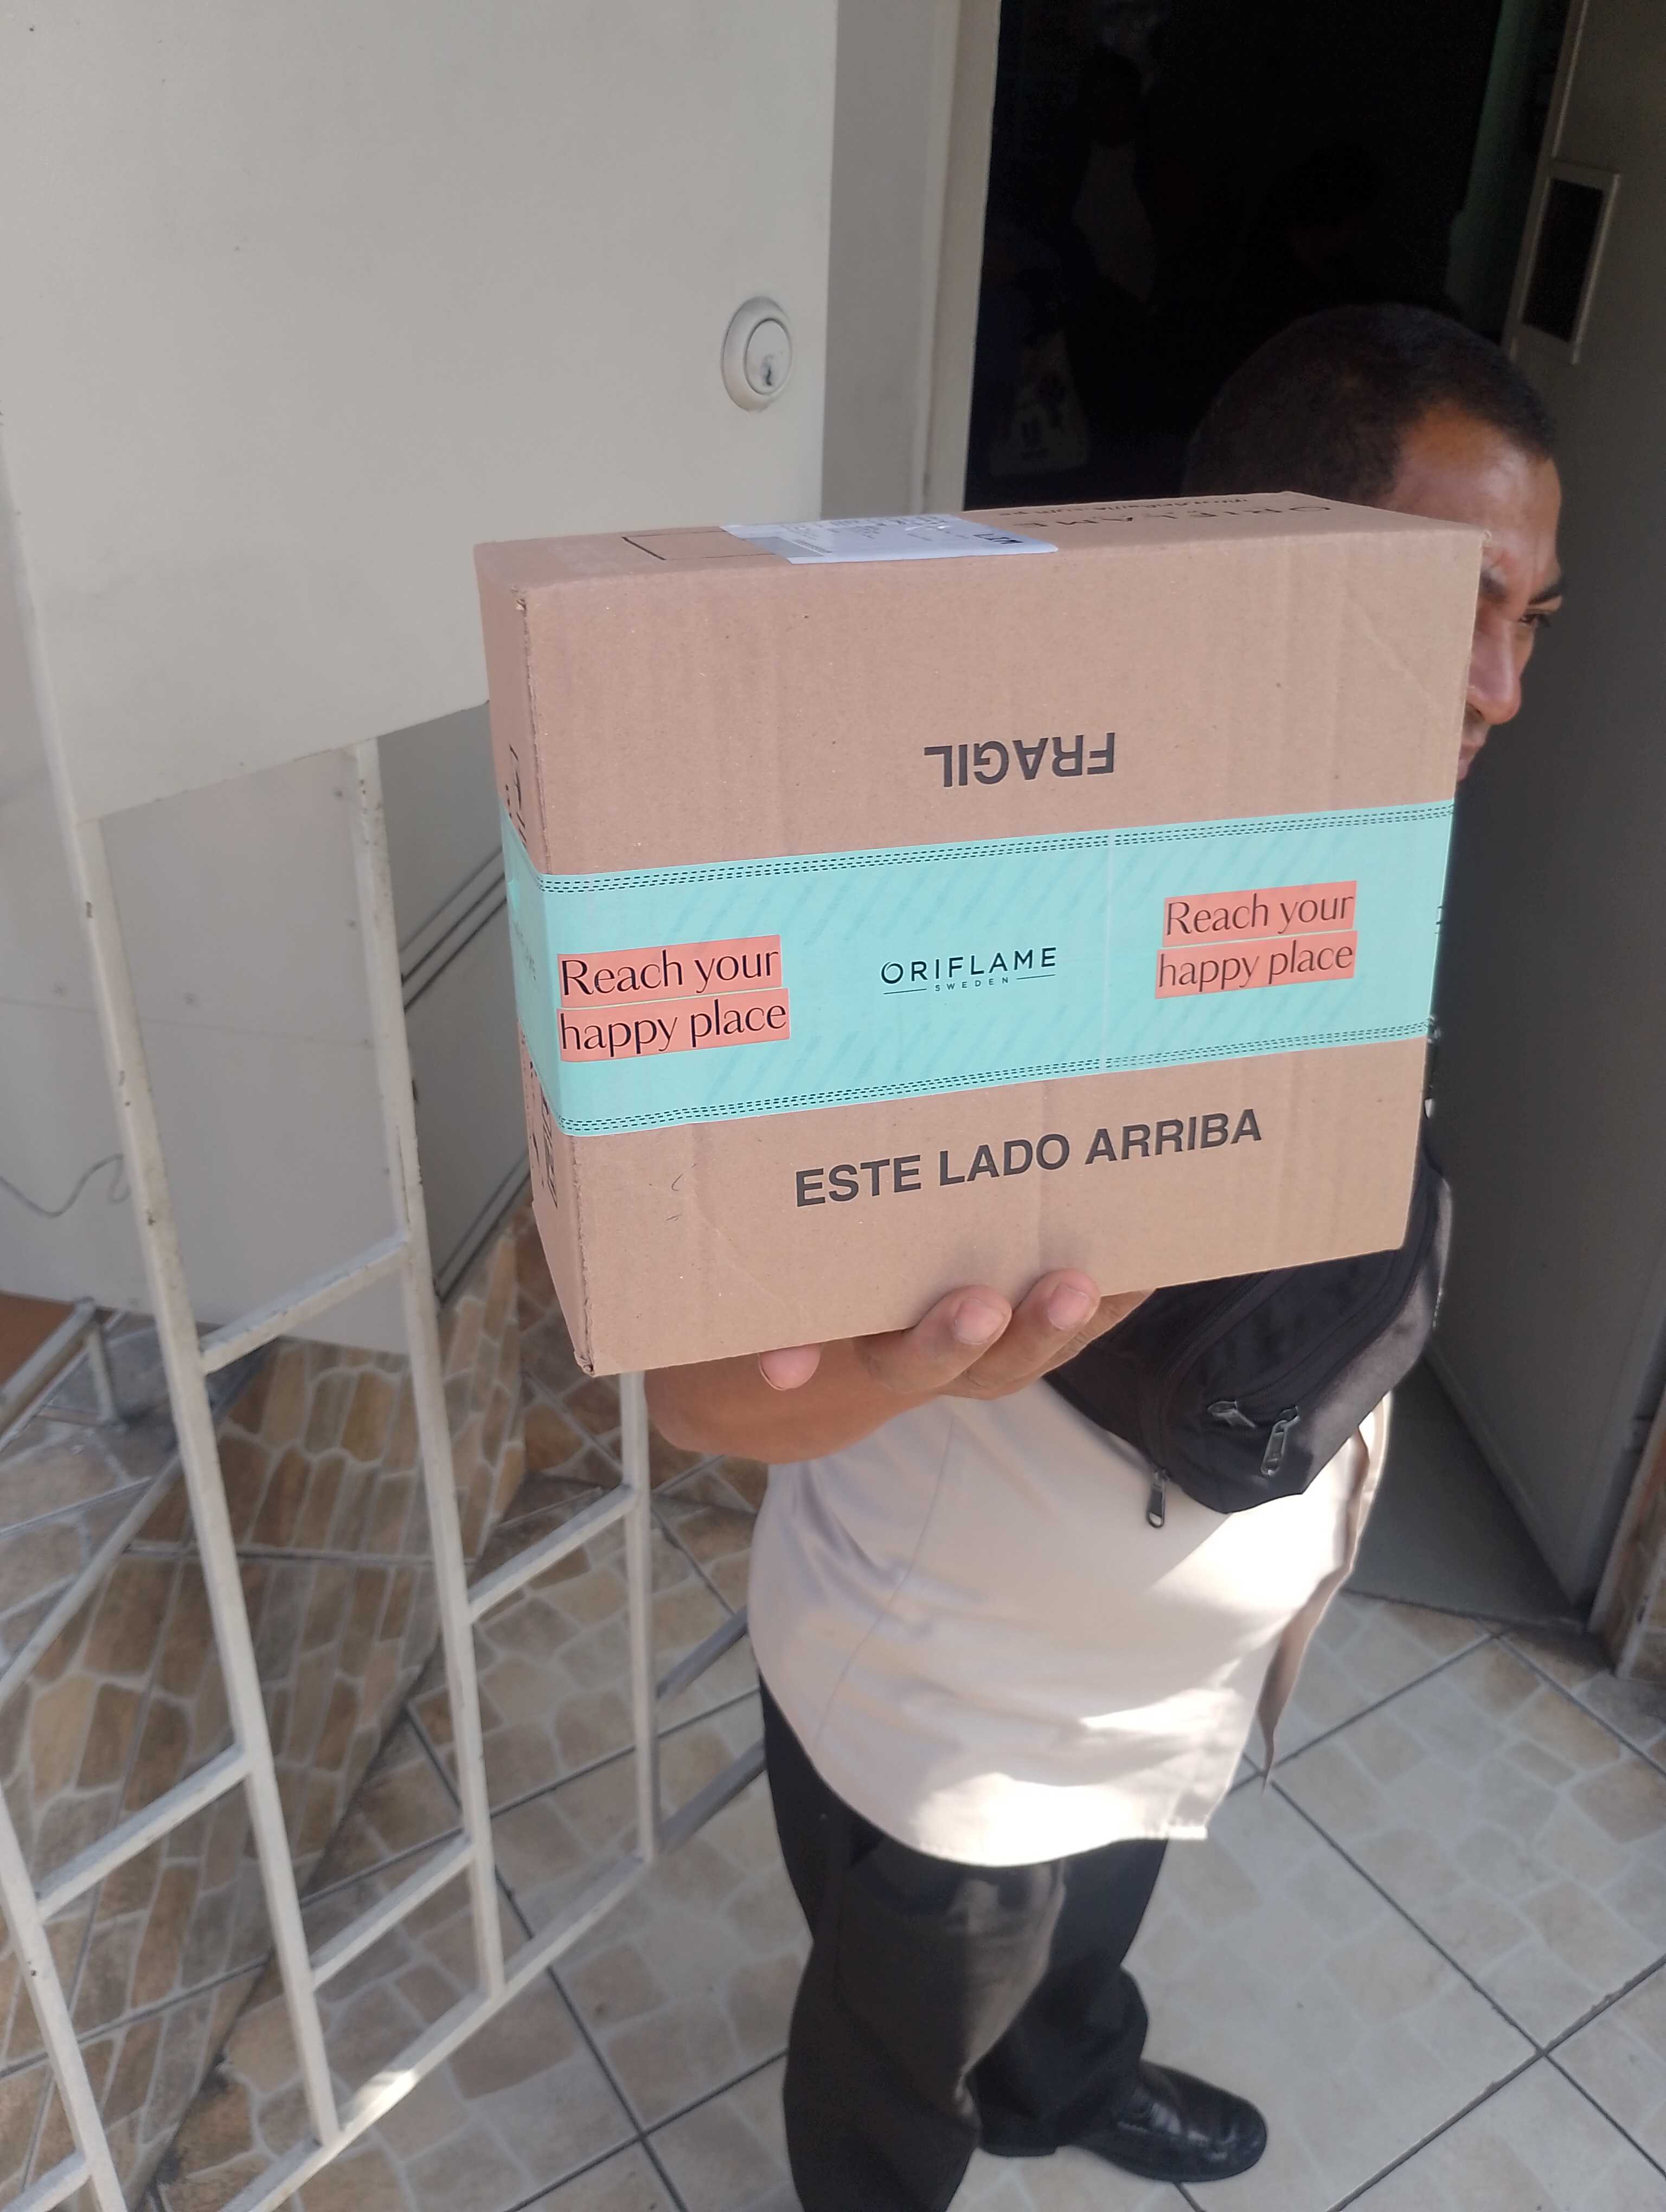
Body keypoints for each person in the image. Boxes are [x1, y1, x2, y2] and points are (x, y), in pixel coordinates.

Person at [646, 305, 1562, 2210]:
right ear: (1260, 562)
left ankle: (1068, 2084)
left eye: (1533, 624)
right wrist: (905, 1359)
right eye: (1460, 606)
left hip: (1160, 1701)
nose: (1502, 688)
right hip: (960, 1737)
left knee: (1081, 1963)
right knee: (899, 2073)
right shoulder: (985, 875)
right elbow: (702, 1393)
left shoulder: (1357, 829)